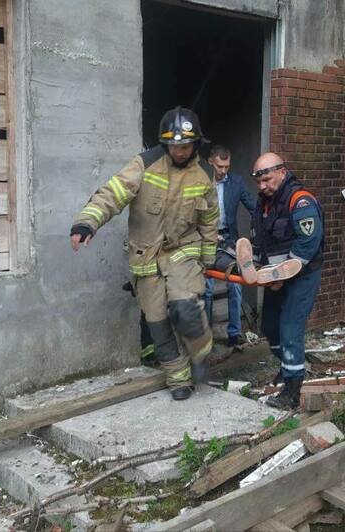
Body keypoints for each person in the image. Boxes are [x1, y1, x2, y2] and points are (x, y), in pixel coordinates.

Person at [71, 107, 219, 401]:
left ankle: (201, 355)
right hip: (146, 256)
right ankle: (178, 377)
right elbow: (112, 193)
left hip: (183, 252)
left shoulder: (205, 174)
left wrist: (209, 259)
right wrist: (88, 221)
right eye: (174, 146)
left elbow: (210, 218)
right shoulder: (145, 164)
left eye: (185, 146)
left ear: (196, 144)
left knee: (186, 308)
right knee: (157, 322)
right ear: (165, 144)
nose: (179, 151)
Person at [249, 152, 324, 409]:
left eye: (267, 180)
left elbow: (308, 243)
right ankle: (288, 364)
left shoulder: (300, 201)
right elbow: (261, 240)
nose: (262, 186)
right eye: (258, 182)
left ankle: (292, 390)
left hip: (301, 276)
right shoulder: (264, 203)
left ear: (282, 171)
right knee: (270, 326)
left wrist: (282, 276)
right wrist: (261, 269)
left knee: (290, 328)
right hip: (276, 276)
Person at [203, 145, 256, 347]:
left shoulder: (236, 182)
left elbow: (252, 206)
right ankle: (206, 336)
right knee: (206, 289)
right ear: (210, 162)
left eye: (227, 166)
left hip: (229, 239)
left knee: (235, 284)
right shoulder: (200, 183)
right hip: (206, 241)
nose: (223, 171)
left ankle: (234, 334)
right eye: (219, 166)